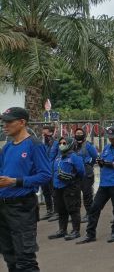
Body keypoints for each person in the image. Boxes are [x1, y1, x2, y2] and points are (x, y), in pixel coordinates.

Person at [0, 107, 51, 272]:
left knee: (25, 258)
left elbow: (45, 175)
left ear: (22, 122)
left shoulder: (34, 145)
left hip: (22, 207)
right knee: (9, 255)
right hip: (4, 207)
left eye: (9, 122)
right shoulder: (7, 148)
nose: (5, 125)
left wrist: (15, 181)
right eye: (4, 122)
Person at [77, 126, 114, 244]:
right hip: (104, 183)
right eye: (110, 137)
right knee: (94, 208)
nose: (111, 140)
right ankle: (90, 233)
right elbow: (101, 159)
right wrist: (102, 163)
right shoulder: (107, 147)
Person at [48, 136, 85, 241]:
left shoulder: (74, 157)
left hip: (70, 187)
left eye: (64, 143)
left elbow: (81, 172)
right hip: (58, 187)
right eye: (60, 143)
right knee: (61, 210)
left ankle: (75, 231)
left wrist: (72, 177)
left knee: (73, 209)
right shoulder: (58, 157)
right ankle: (62, 230)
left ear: (70, 144)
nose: (61, 145)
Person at [73, 127, 98, 222]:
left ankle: (90, 214)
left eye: (80, 133)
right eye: (77, 133)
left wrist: (89, 165)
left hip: (86, 172)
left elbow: (95, 156)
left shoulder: (88, 145)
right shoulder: (73, 145)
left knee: (87, 195)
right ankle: (76, 215)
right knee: (75, 195)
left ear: (84, 134)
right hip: (76, 173)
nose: (78, 135)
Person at [40, 125, 58, 221]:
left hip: (52, 172)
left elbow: (58, 157)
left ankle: (57, 212)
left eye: (45, 133)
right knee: (46, 192)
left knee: (53, 192)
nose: (44, 135)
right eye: (43, 133)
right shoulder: (43, 144)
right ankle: (49, 211)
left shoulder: (56, 144)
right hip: (43, 172)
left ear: (51, 133)